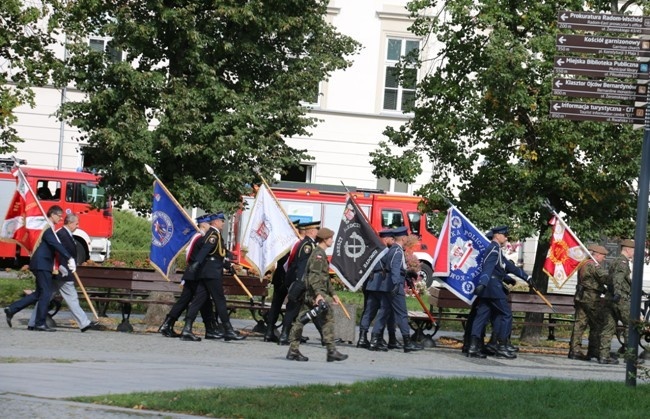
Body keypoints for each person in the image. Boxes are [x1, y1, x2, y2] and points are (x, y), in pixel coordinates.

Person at [4, 205, 76, 332]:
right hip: (42, 264)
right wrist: (68, 257)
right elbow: (56, 245)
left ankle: (12, 309)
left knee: (39, 293)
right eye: (59, 216)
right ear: (52, 214)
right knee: (46, 293)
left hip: (42, 264)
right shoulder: (48, 229)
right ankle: (39, 323)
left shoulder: (49, 228)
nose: (60, 219)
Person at [467, 225, 532, 359]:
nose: (506, 237)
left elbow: (507, 266)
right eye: (505, 235)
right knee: (506, 314)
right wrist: (482, 283)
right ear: (497, 235)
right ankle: (502, 346)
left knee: (482, 316)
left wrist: (527, 278)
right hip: (493, 287)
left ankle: (472, 347)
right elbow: (488, 268)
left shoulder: (496, 249)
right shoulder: (493, 249)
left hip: (489, 288)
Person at [27, 213, 100, 332]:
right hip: (62, 274)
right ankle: (84, 323)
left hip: (60, 274)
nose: (77, 226)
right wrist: (61, 266)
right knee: (71, 298)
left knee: (46, 297)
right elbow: (57, 251)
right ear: (70, 223)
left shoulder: (66, 234)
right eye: (76, 223)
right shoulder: (61, 234)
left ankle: (33, 321)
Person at [286, 227, 347, 362]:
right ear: (325, 239)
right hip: (314, 294)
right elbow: (314, 277)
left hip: (312, 293)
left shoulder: (320, 253)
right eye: (330, 238)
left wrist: (333, 293)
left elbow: (324, 278)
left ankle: (293, 350)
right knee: (327, 318)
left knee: (301, 320)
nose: (332, 240)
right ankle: (331, 351)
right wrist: (319, 295)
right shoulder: (318, 255)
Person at [183, 212, 245, 341]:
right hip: (212, 273)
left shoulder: (213, 234)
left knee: (198, 300)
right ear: (216, 222)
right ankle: (228, 330)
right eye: (222, 221)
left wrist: (228, 266)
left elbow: (218, 255)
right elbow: (205, 250)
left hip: (207, 271)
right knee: (220, 301)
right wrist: (196, 263)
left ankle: (187, 328)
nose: (223, 223)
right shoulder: (213, 235)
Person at [159, 215, 222, 341]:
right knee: (200, 299)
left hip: (193, 274)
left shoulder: (199, 237)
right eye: (208, 224)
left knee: (191, 300)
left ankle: (168, 324)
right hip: (195, 275)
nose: (210, 227)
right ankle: (189, 328)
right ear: (203, 225)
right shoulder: (200, 237)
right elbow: (192, 257)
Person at [371, 226, 422, 353]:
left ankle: (374, 339)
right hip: (394, 286)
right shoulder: (397, 251)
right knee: (402, 314)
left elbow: (397, 268)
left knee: (383, 313)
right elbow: (394, 268)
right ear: (403, 238)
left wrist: (407, 273)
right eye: (406, 237)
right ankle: (407, 342)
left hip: (387, 285)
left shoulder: (393, 250)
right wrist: (395, 284)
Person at [278, 220, 321, 345]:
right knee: (293, 309)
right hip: (300, 282)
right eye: (317, 230)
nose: (318, 233)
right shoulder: (306, 245)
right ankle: (284, 335)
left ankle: (292, 334)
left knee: (303, 309)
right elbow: (302, 265)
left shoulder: (310, 244)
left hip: (303, 282)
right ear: (312, 231)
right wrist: (301, 282)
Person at [358, 228, 401, 351]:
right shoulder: (387, 251)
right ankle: (377, 339)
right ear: (386, 239)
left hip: (371, 283)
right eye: (391, 239)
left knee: (369, 311)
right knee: (384, 311)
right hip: (382, 283)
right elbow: (392, 266)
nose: (392, 242)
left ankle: (362, 337)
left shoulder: (371, 250)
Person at [568, 244, 613, 362]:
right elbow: (605, 279)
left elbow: (592, 282)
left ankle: (574, 350)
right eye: (603, 256)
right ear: (596, 255)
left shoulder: (583, 263)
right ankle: (594, 351)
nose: (604, 258)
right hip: (591, 298)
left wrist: (604, 289)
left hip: (581, 296)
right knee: (597, 324)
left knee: (580, 323)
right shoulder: (594, 265)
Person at [263, 220, 301, 343]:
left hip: (280, 277)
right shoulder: (288, 243)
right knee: (289, 306)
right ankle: (283, 332)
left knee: (277, 305)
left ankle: (270, 332)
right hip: (286, 278)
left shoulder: (283, 242)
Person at [609, 239, 634, 357]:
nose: (634, 252)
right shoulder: (622, 262)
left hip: (612, 297)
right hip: (620, 298)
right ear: (628, 249)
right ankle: (629, 356)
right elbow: (618, 278)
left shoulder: (615, 260)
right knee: (630, 325)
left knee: (609, 326)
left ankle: (603, 355)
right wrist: (618, 293)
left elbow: (619, 279)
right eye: (633, 250)